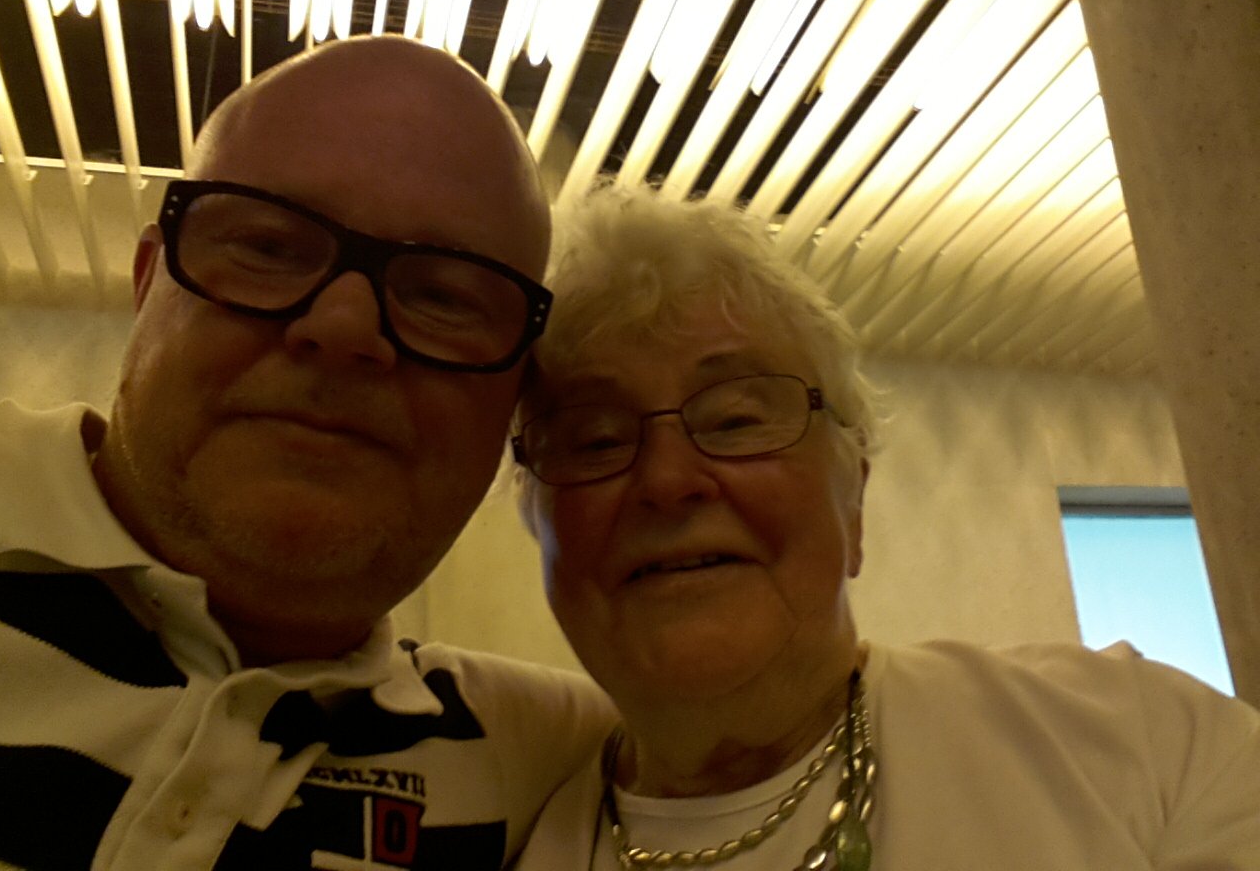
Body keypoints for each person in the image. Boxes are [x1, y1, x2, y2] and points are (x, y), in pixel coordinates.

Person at [0, 36, 614, 871]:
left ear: (515, 401)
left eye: (444, 296)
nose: (344, 327)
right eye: (268, 247)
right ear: (147, 280)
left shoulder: (553, 762)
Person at [509, 182, 1260, 870]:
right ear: (540, 526)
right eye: (595, 440)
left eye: (735, 420)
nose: (668, 481)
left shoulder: (1146, 746)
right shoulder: (504, 838)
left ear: (853, 500)